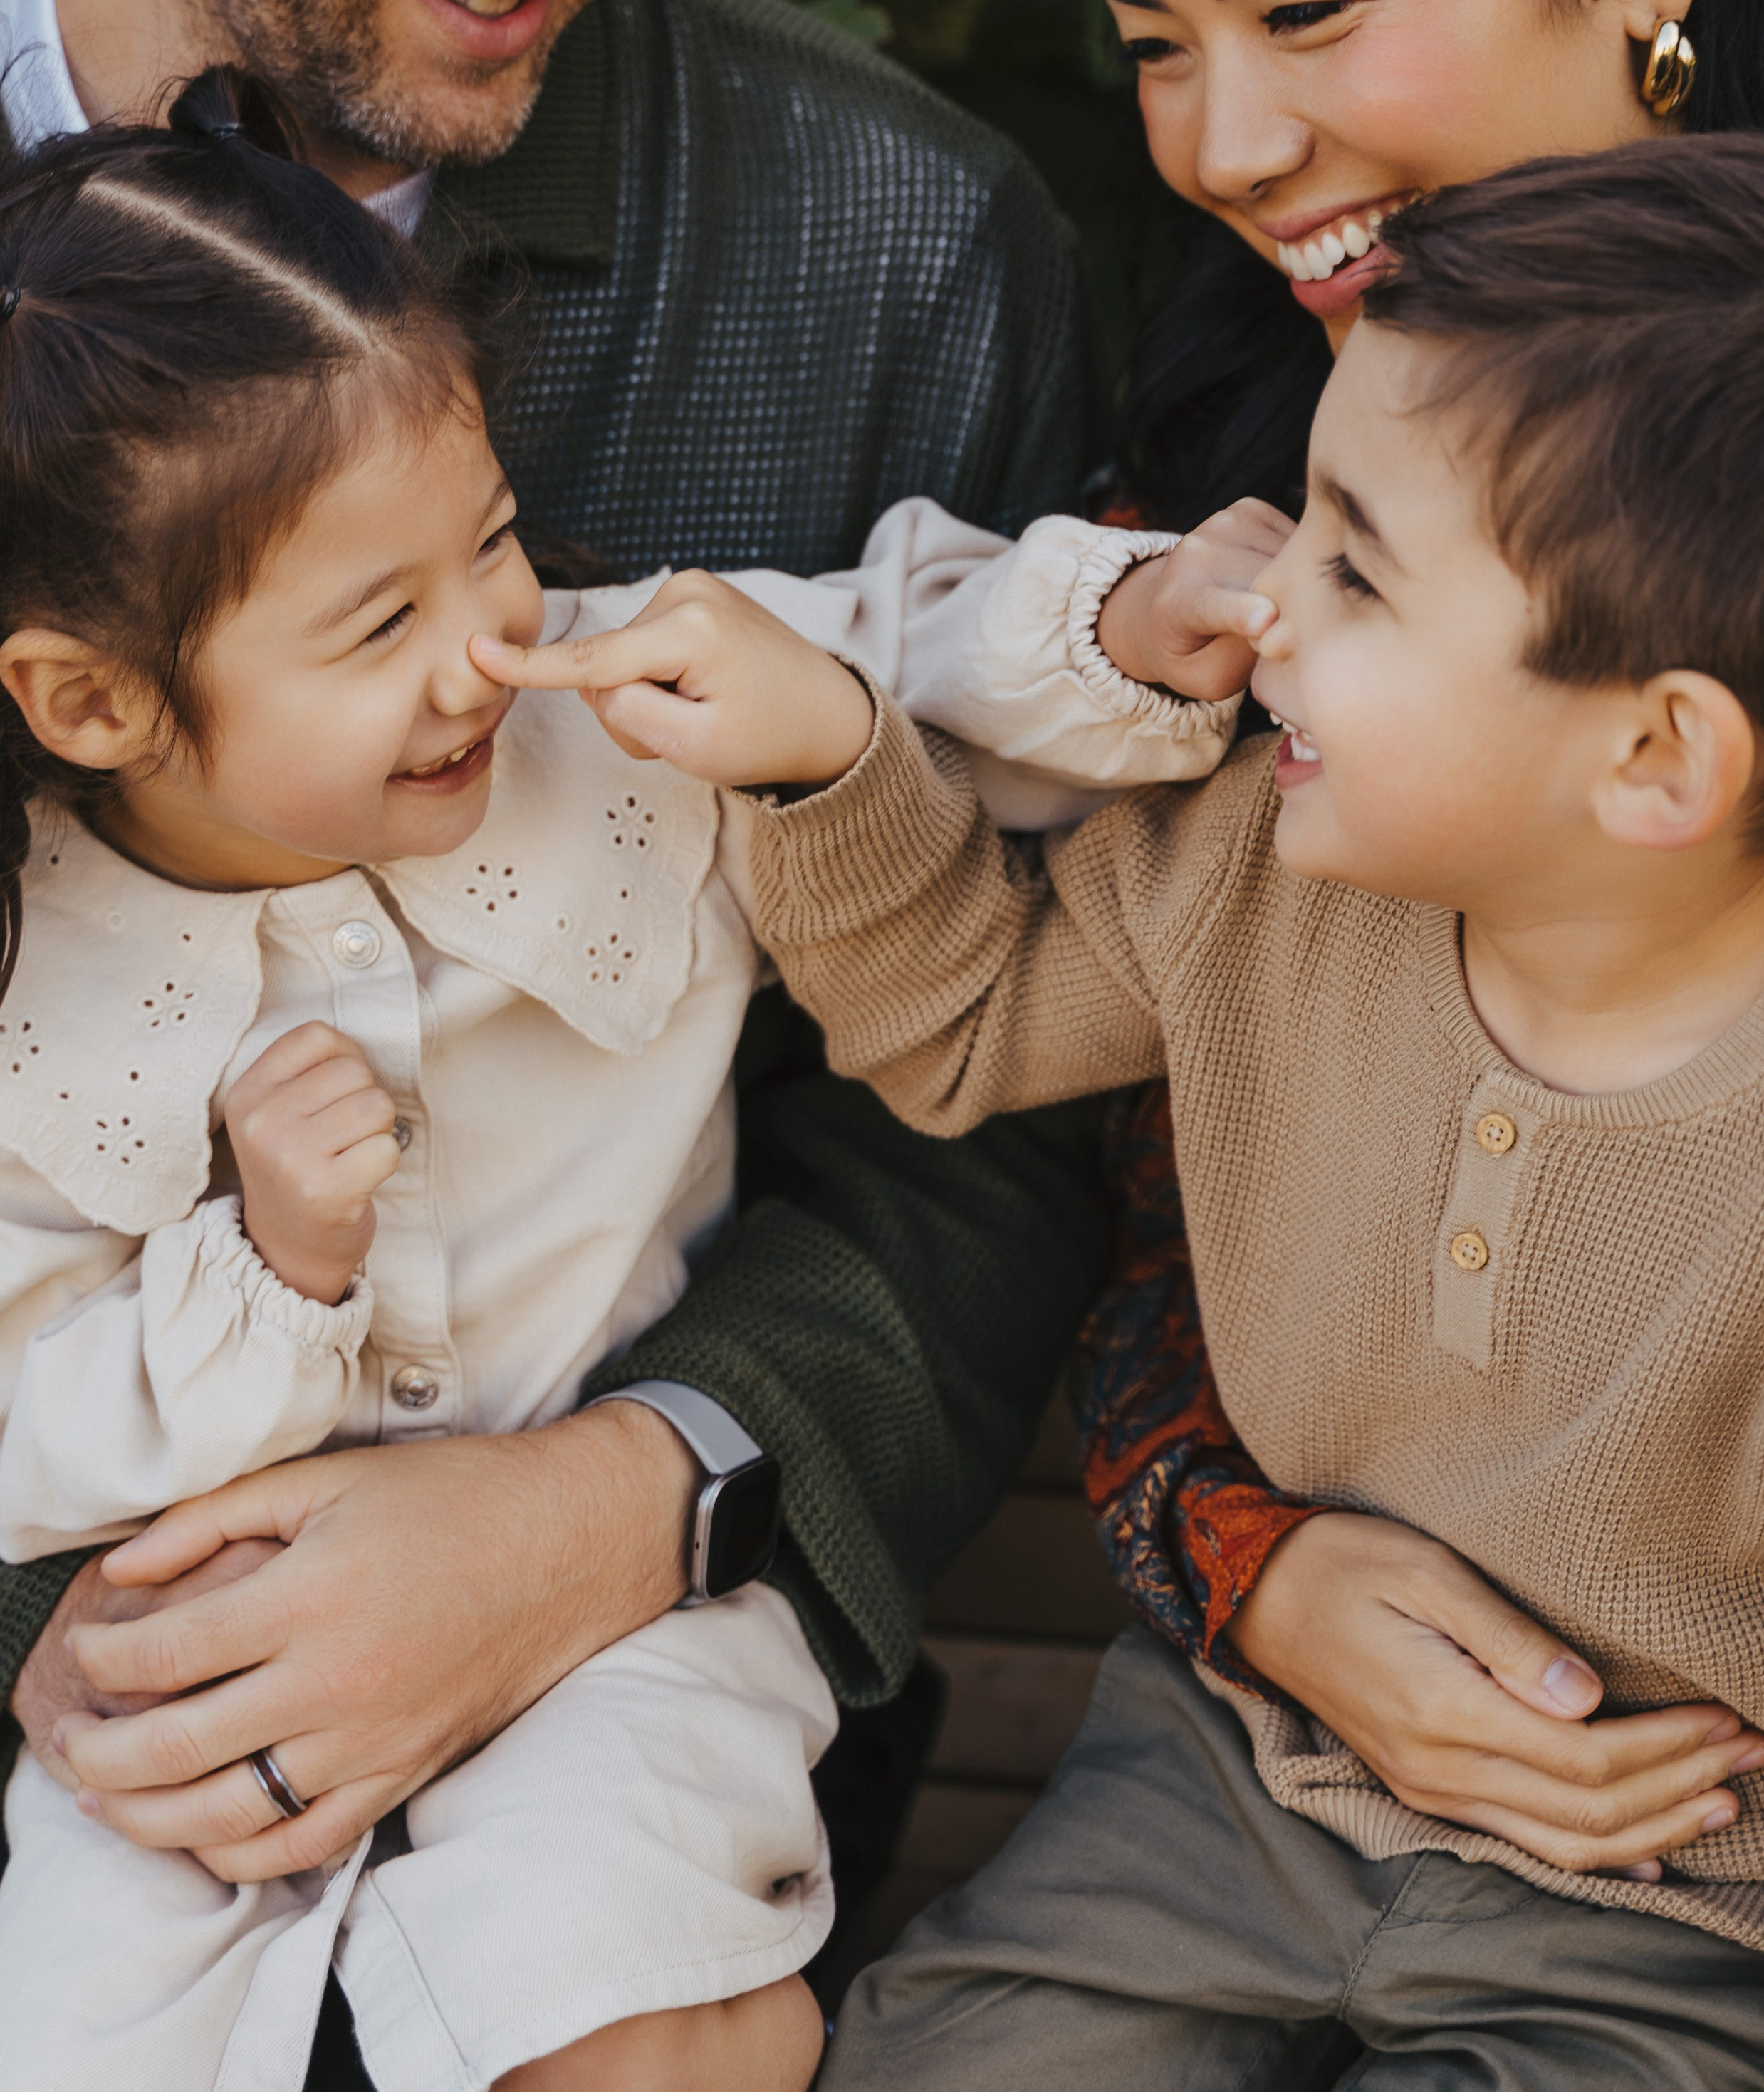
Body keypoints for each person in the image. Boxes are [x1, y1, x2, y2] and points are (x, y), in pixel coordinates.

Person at [0, 0, 1106, 1994]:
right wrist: (80, 1650)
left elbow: (986, 1121)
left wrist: (632, 1498)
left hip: (637, 1749)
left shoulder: (913, 256)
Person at [0, 76, 1221, 2092]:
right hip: (206, 1689)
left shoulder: (606, 725)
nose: (492, 642)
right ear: (94, 698)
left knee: (648, 1999)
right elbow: (17, 1437)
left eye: (495, 539)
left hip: (632, 1611)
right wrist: (271, 1274)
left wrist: (1129, 625)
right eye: (383, 619)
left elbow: (912, 636)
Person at [526, 135, 1764, 2085]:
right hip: (1236, 1780)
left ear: (1653, 757)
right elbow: (968, 1016)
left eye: (1357, 564)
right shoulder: (1261, 874)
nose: (1271, 602)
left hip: (1682, 1913)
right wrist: (837, 754)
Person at [1042, 0, 1764, 1878]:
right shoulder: (1231, 532)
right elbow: (1144, 1202)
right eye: (1155, 42)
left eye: (1308, 7)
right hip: (1252, 1809)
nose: (1226, 143)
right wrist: (1254, 1570)